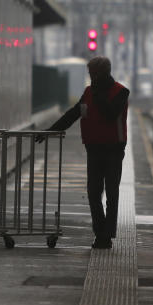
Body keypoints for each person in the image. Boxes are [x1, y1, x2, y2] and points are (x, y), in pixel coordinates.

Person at [39, 56, 129, 249]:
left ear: (99, 73)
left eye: (91, 73)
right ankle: (101, 231)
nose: (89, 77)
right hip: (94, 150)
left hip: (114, 150)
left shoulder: (120, 92)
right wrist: (49, 131)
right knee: (93, 193)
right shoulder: (89, 92)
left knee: (112, 193)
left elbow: (111, 114)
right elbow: (73, 114)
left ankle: (105, 236)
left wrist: (99, 96)